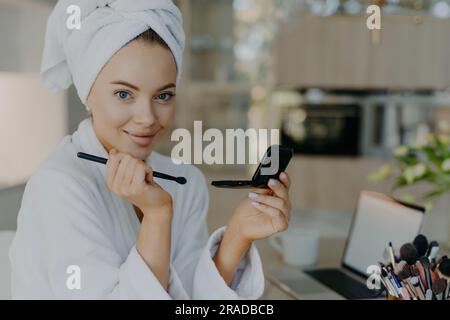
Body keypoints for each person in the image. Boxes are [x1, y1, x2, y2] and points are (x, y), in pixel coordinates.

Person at [9, 0, 292, 299]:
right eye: (123, 94)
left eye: (163, 95)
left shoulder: (183, 181)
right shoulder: (60, 185)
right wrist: (157, 216)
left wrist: (237, 235)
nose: (147, 118)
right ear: (87, 92)